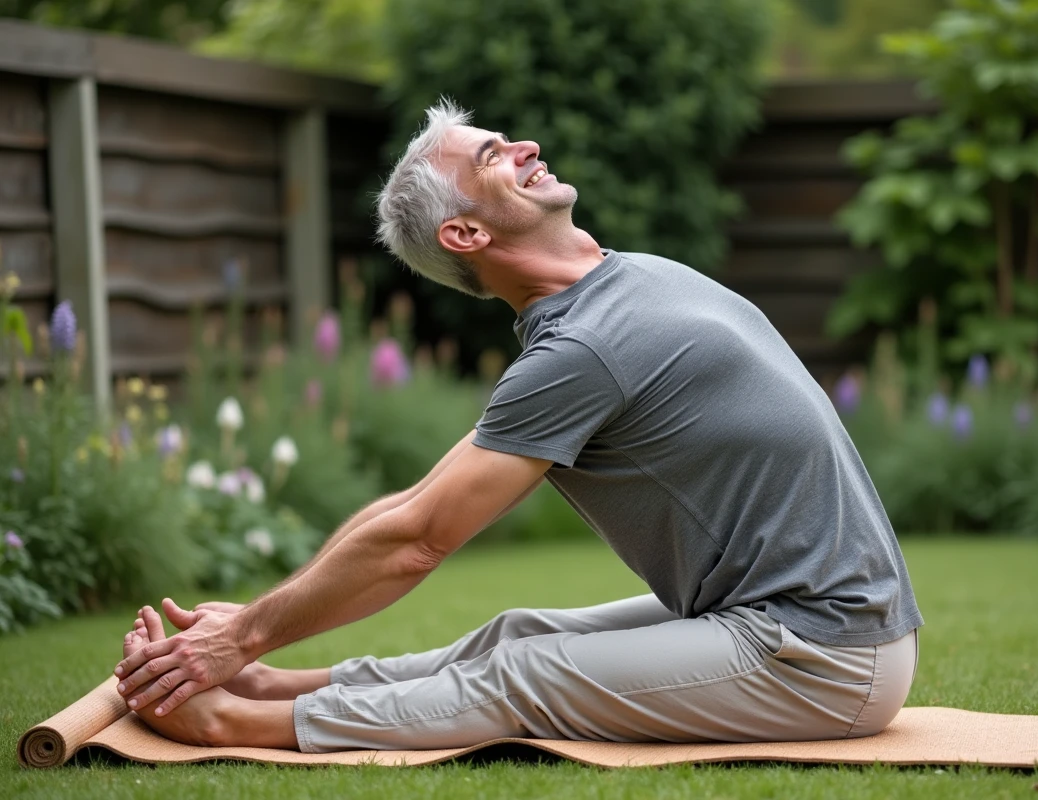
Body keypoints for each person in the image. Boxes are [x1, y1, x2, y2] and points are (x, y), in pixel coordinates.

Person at [112, 99, 924, 752]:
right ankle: (276, 687)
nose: (527, 146)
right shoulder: (625, 295)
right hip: (814, 631)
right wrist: (248, 643)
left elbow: (415, 541)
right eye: (492, 155)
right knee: (516, 632)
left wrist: (244, 632)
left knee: (524, 672)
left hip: (823, 657)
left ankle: (234, 721)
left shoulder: (592, 339)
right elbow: (416, 510)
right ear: (464, 234)